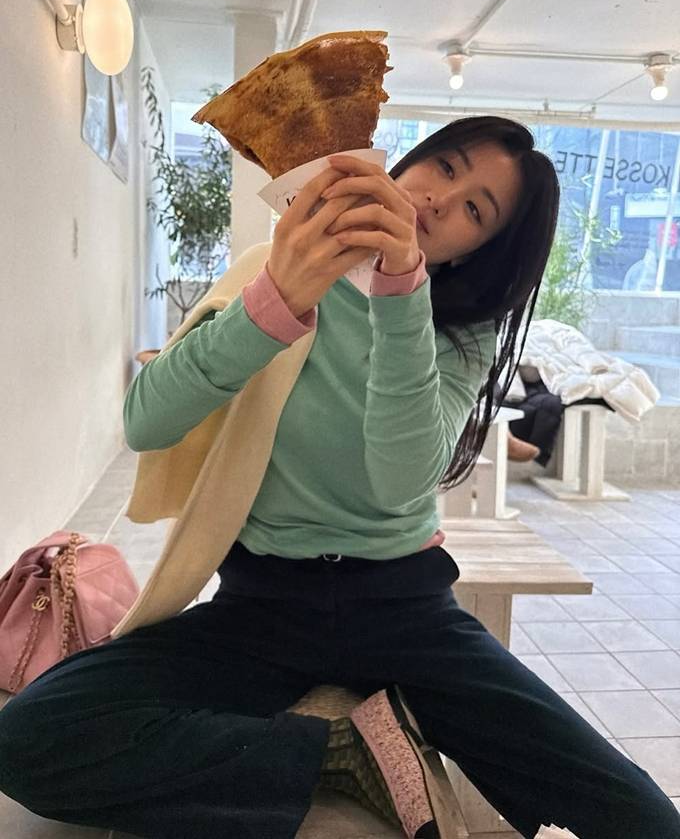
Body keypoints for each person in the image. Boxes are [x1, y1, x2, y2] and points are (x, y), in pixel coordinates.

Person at [1, 116, 678, 839]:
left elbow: (399, 480)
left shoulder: (463, 332)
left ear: (477, 248)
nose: (441, 200)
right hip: (260, 605)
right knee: (25, 738)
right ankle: (339, 754)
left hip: (404, 608)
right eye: (446, 167)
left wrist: (401, 290)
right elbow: (145, 422)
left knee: (642, 817)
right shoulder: (276, 265)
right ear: (405, 162)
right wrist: (276, 300)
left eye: (475, 210)